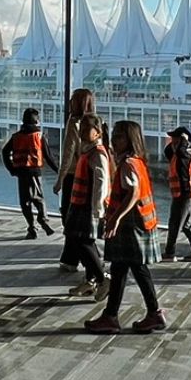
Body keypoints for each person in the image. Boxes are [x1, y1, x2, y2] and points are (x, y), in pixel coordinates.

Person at [87, 120, 166, 334]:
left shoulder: (128, 164)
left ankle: (151, 312)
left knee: (134, 268)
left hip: (130, 226)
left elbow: (132, 192)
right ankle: (113, 315)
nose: (114, 139)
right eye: (114, 134)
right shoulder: (136, 162)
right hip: (140, 224)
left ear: (130, 139)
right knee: (123, 268)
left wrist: (115, 219)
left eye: (119, 136)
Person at [60, 114, 111, 302]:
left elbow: (101, 181)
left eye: (86, 129)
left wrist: (98, 209)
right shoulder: (87, 151)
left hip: (86, 206)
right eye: (80, 129)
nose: (81, 133)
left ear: (97, 132)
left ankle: (102, 278)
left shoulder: (97, 153)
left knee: (83, 241)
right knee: (78, 239)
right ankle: (91, 280)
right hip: (79, 203)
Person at [55, 87, 98, 272]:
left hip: (74, 176)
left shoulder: (74, 123)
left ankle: (87, 260)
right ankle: (70, 258)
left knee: (70, 218)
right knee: (83, 219)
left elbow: (67, 153)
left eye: (72, 100)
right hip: (91, 176)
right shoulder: (98, 121)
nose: (69, 103)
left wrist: (59, 180)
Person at [2, 107, 52, 239]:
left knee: (25, 202)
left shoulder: (16, 137)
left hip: (21, 172)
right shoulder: (39, 136)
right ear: (37, 121)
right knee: (39, 198)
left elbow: (4, 152)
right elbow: (48, 157)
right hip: (35, 172)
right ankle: (43, 219)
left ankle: (32, 228)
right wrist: (59, 171)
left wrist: (11, 168)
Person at [161, 127, 191, 262]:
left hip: (184, 194)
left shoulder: (185, 155)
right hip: (183, 194)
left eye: (175, 138)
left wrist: (185, 141)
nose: (172, 141)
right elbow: (167, 151)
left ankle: (170, 253)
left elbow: (180, 151)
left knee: (175, 224)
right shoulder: (176, 155)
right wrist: (178, 142)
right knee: (186, 225)